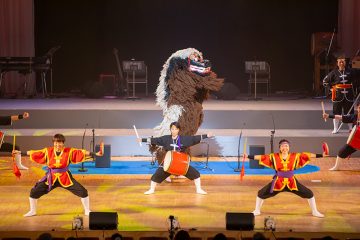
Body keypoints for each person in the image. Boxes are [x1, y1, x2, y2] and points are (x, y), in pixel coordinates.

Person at [22, 133, 102, 217]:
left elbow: (81, 152)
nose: (57, 145)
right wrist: (20, 153)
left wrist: (95, 154)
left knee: (83, 192)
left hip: (65, 177)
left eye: (59, 142)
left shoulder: (69, 151)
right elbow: (34, 153)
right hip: (51, 178)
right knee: (34, 192)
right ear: (53, 143)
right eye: (56, 143)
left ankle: (87, 210)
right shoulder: (47, 151)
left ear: (63, 143)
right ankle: (32, 211)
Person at [245, 139, 327, 218]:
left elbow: (308, 155)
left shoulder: (295, 156)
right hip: (278, 182)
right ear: (280, 148)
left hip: (292, 182)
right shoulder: (274, 156)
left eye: (286, 146)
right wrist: (248, 156)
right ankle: (257, 210)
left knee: (309, 193)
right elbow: (261, 157)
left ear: (289, 147)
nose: (285, 148)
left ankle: (314, 211)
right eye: (283, 146)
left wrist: (321, 155)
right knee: (261, 193)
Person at [138, 121, 212, 195]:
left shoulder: (184, 139)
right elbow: (154, 140)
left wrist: (207, 135)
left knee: (196, 174)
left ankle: (199, 190)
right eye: (172, 129)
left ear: (178, 130)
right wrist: (141, 140)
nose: (174, 131)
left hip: (180, 163)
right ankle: (151, 190)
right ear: (170, 129)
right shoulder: (166, 139)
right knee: (155, 176)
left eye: (176, 129)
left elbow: (194, 138)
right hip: (168, 162)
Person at [323, 55, 356, 133]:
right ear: (337, 63)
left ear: (345, 62)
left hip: (349, 95)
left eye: (343, 61)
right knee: (336, 112)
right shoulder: (333, 72)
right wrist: (331, 89)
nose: (341, 63)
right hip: (337, 96)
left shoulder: (350, 71)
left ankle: (350, 128)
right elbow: (325, 81)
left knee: (349, 112)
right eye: (340, 61)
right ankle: (335, 128)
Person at [323, 102, 360, 170]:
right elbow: (341, 117)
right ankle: (336, 167)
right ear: (357, 109)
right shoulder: (354, 117)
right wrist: (328, 116)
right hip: (356, 140)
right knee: (341, 152)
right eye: (359, 108)